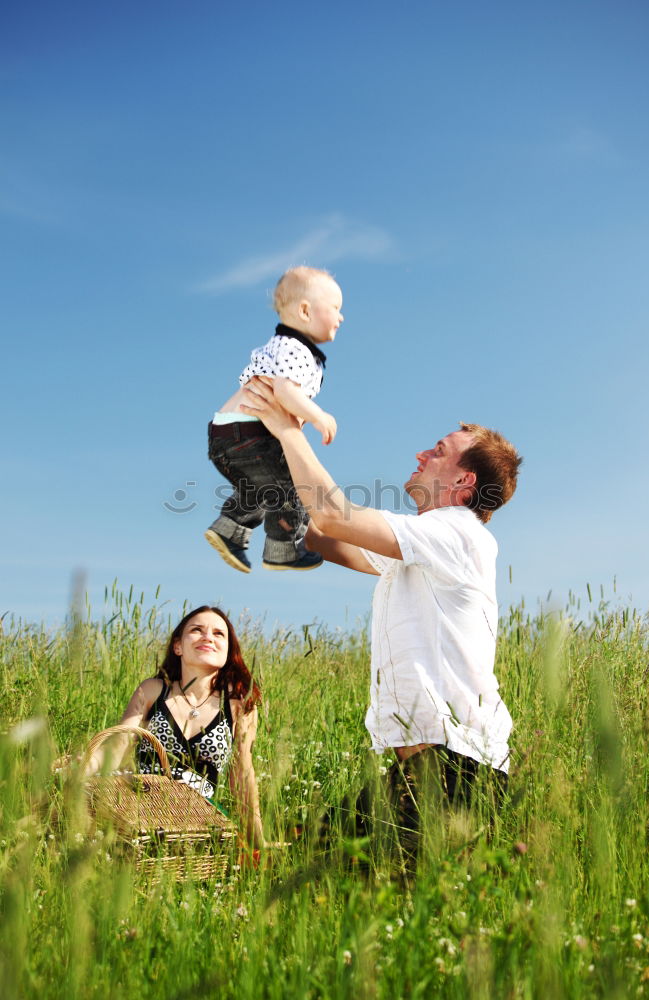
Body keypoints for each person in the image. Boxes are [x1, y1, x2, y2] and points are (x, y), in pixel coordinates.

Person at [240, 379, 522, 857]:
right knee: (317, 858)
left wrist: (288, 429)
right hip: (429, 769)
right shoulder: (424, 546)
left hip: (457, 771)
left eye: (438, 451)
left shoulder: (458, 532)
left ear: (463, 481)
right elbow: (329, 539)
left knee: (336, 878)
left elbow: (334, 518)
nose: (420, 454)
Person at [84, 606, 264, 846]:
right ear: (178, 646)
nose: (208, 637)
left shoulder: (239, 704)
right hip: (138, 804)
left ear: (228, 650)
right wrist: (82, 767)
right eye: (197, 630)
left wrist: (257, 839)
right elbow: (117, 746)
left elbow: (242, 773)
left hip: (198, 817)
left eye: (219, 634)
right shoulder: (153, 690)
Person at [204, 265, 344, 574]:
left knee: (263, 488)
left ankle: (229, 530)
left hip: (226, 434)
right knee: (293, 488)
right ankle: (284, 549)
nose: (341, 316)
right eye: (335, 308)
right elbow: (284, 390)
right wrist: (317, 415)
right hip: (250, 433)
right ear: (305, 311)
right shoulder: (296, 349)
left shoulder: (283, 346)